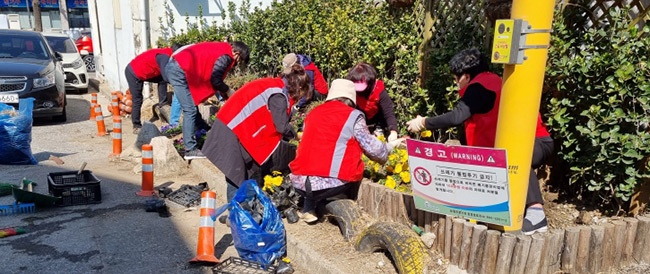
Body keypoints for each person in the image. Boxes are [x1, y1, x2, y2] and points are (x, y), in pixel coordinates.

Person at [405, 48, 554, 235]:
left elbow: (457, 116)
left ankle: (536, 213)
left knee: (513, 157)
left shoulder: (479, 86)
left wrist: (424, 122)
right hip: (530, 142)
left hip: (535, 142)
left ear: (466, 76)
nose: (455, 83)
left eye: (456, 78)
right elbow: (477, 121)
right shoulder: (491, 82)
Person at [289, 79, 405, 223]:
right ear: (351, 98)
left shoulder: (313, 113)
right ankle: (334, 200)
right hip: (329, 184)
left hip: (298, 182)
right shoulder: (353, 116)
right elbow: (375, 151)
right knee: (345, 167)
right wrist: (390, 147)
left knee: (314, 156)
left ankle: (309, 206)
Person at [201, 64, 311, 203]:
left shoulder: (274, 86)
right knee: (237, 175)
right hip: (233, 127)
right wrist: (297, 136)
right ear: (299, 87)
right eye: (303, 93)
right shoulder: (278, 95)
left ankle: (239, 212)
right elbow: (281, 126)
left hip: (234, 125)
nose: (301, 97)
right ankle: (238, 215)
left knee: (241, 173)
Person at [165, 41, 250, 159]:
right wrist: (228, 90)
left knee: (192, 107)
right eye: (239, 60)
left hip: (178, 67)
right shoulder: (226, 56)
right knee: (190, 110)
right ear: (236, 52)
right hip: (179, 70)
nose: (236, 63)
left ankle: (205, 131)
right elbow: (215, 80)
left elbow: (213, 76)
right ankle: (190, 149)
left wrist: (225, 95)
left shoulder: (222, 49)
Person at [124, 46, 177, 133]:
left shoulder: (167, 53)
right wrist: (179, 84)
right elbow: (166, 76)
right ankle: (136, 125)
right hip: (133, 73)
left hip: (144, 71)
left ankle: (162, 104)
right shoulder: (164, 56)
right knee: (137, 99)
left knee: (162, 80)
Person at [345, 62, 400, 142]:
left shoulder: (379, 91)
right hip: (360, 118)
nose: (359, 92)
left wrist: (393, 132)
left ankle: (379, 131)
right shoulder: (351, 89)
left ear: (370, 83)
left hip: (378, 120)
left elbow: (389, 113)